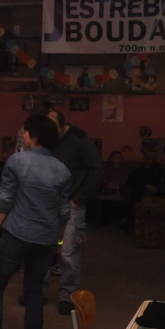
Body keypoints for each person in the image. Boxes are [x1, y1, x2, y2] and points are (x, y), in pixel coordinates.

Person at [0, 114, 70, 329]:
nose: (23, 135)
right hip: (45, 239)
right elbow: (63, 212)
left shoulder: (17, 161)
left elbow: (5, 200)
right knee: (34, 292)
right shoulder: (62, 170)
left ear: (34, 137)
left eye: (25, 132)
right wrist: (57, 240)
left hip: (16, 234)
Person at [46, 108, 102, 314]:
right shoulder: (45, 138)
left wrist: (78, 199)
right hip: (47, 204)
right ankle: (38, 292)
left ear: (63, 125)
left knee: (69, 253)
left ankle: (67, 296)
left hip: (72, 204)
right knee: (43, 249)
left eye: (53, 127)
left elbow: (97, 171)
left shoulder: (80, 139)